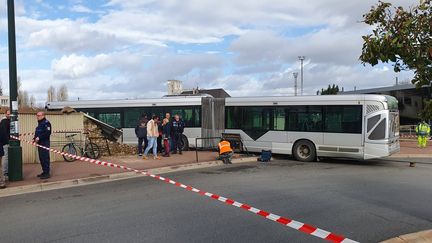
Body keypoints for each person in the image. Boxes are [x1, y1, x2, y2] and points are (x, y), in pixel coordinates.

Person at [33, 111, 52, 179]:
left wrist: (39, 137)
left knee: (45, 158)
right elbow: (37, 133)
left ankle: (47, 173)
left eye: (39, 115)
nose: (37, 117)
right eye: (37, 115)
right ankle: (44, 172)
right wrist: (34, 138)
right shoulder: (39, 124)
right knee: (41, 158)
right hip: (40, 143)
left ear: (43, 116)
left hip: (45, 143)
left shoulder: (46, 123)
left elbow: (47, 133)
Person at [0, 110, 10, 180]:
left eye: (10, 114)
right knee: (5, 158)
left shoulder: (11, 121)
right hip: (5, 143)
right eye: (8, 114)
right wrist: (6, 142)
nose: (9, 115)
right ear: (5, 114)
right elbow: (3, 133)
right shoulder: (4, 122)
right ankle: (5, 173)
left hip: (8, 142)